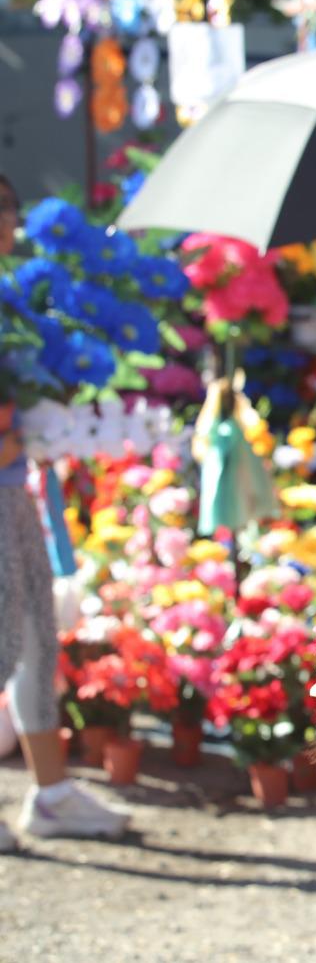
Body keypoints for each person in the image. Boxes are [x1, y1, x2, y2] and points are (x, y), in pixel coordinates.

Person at [0, 173, 131, 852]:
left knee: (32, 637)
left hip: (12, 490)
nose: (3, 220)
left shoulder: (15, 302)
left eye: (6, 206)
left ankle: (50, 793)